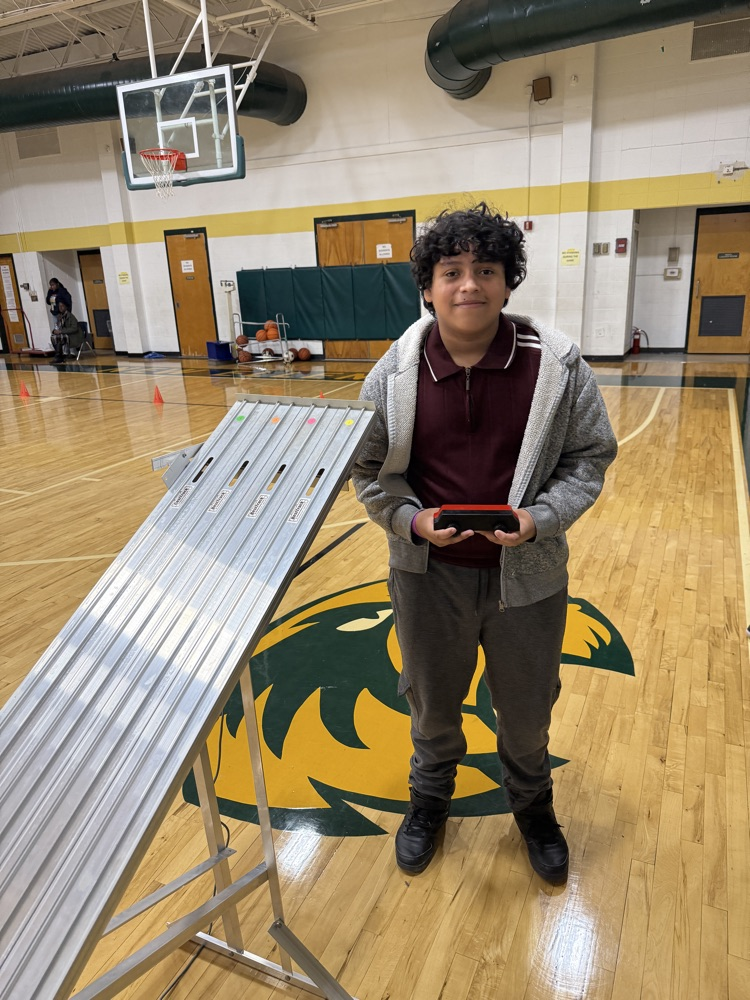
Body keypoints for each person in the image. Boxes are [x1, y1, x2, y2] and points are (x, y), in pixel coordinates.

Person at [351, 203, 617, 885]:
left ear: (506, 282)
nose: (469, 284)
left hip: (526, 579)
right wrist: (409, 521)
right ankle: (428, 800)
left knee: (526, 711)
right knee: (432, 705)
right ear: (429, 285)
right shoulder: (392, 376)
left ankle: (533, 808)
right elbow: (367, 470)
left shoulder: (556, 367)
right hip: (427, 576)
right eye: (452, 271)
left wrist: (543, 518)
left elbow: (589, 459)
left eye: (486, 270)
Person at [50, 299, 82, 364]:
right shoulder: (60, 316)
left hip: (74, 336)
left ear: (66, 307)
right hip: (66, 334)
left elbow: (74, 328)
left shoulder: (71, 316)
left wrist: (61, 331)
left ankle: (59, 357)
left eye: (62, 306)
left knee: (59, 337)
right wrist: (55, 331)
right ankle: (59, 355)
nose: (61, 308)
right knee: (53, 337)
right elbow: (58, 327)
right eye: (59, 306)